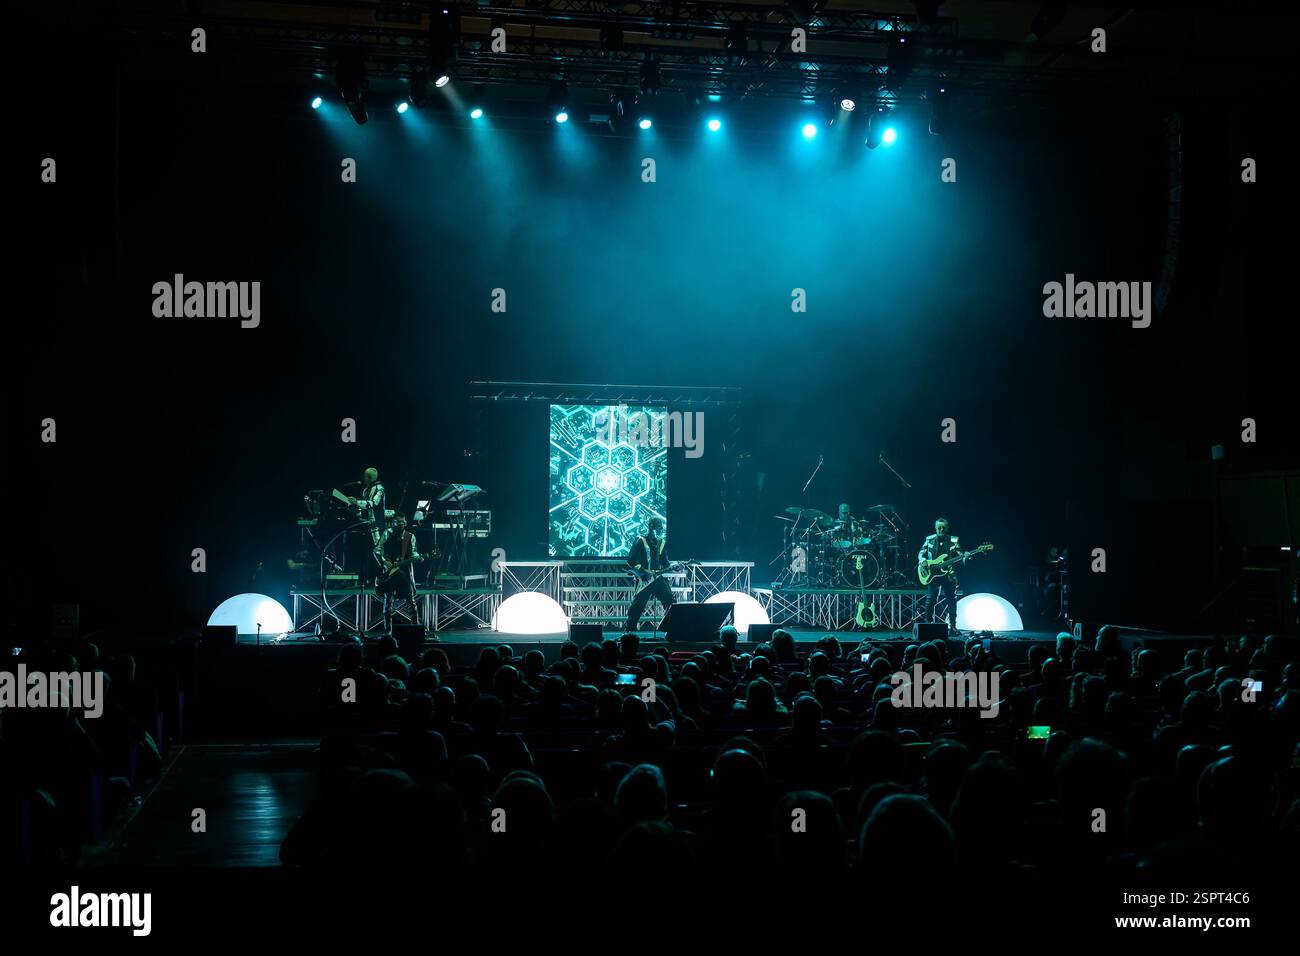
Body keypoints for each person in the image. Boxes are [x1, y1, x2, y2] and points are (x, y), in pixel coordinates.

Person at [374, 511, 421, 635]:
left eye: (402, 522)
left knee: (411, 601)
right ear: (393, 523)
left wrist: (418, 557)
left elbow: (414, 552)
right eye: (397, 522)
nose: (400, 524)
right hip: (389, 574)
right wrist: (384, 562)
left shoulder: (410, 536)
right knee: (388, 603)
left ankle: (416, 630)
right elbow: (377, 550)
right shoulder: (387, 533)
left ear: (405, 522)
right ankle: (387, 633)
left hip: (404, 573)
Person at [625, 517, 675, 632]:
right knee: (638, 606)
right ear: (651, 526)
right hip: (644, 579)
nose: (661, 529)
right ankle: (629, 631)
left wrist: (674, 567)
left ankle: (671, 629)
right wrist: (644, 570)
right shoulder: (640, 540)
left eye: (661, 527)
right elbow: (631, 561)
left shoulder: (661, 542)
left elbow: (664, 562)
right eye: (658, 527)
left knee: (670, 601)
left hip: (657, 579)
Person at [917, 518, 963, 625]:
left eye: (943, 527)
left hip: (949, 574)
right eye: (939, 527)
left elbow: (960, 555)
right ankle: (928, 623)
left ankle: (953, 626)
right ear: (935, 528)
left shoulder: (954, 540)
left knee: (951, 600)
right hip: (932, 574)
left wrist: (965, 557)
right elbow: (921, 553)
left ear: (947, 528)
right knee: (930, 599)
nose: (941, 529)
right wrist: (922, 561)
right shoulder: (929, 539)